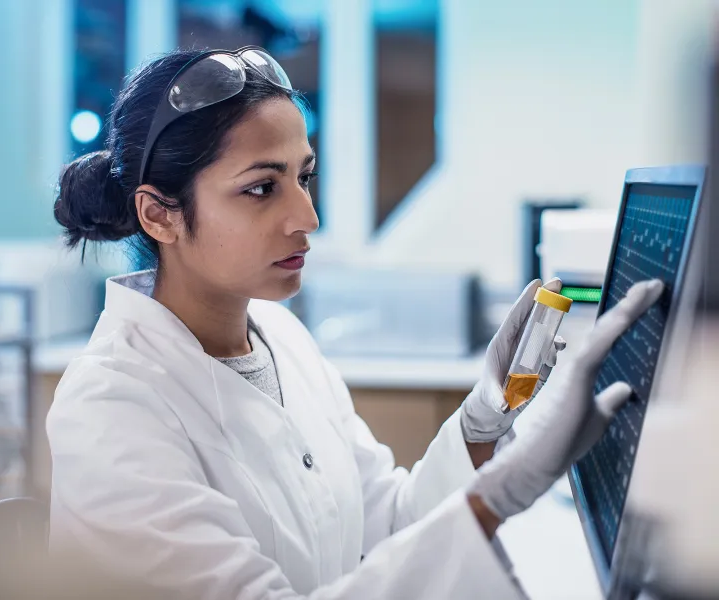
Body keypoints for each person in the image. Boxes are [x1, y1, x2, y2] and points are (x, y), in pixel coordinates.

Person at [48, 47, 663, 598]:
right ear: (159, 215)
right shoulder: (111, 407)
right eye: (262, 189)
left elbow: (390, 525)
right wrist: (501, 495)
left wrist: (486, 417)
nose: (307, 217)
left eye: (304, 176)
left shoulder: (282, 337)